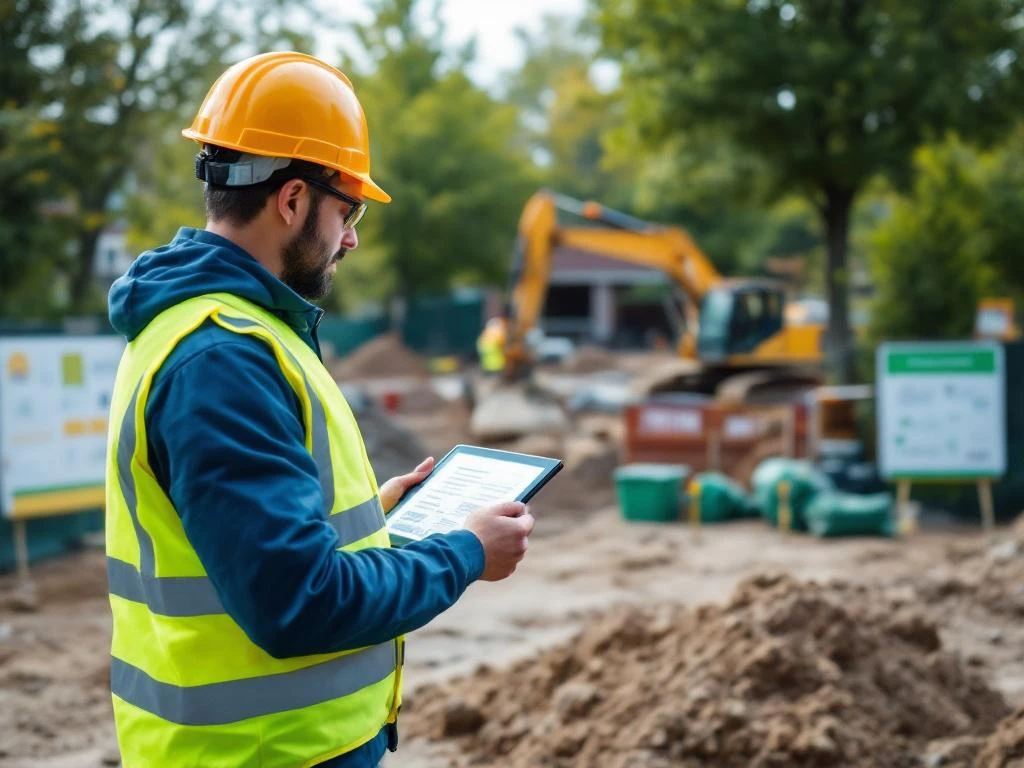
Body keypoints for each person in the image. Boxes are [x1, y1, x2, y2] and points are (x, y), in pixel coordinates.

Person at [104, 51, 534, 767]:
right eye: (347, 210)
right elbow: (299, 602)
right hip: (266, 754)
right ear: (293, 200)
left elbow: (255, 544)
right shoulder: (223, 357)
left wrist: (376, 521)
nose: (353, 237)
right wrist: (464, 553)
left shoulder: (221, 330)